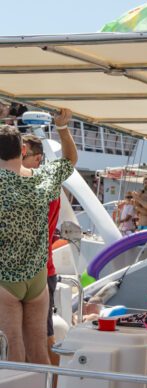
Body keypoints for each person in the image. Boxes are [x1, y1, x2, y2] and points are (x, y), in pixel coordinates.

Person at [0, 109, 77, 363]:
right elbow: (69, 160)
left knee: (13, 350)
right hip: (37, 278)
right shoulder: (42, 178)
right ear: (22, 151)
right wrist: (62, 128)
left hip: (5, 279)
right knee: (38, 349)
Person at [21, 134, 63, 364]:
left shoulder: (35, 187)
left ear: (37, 159)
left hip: (36, 273)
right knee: (40, 339)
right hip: (43, 271)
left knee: (42, 340)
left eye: (21, 156)